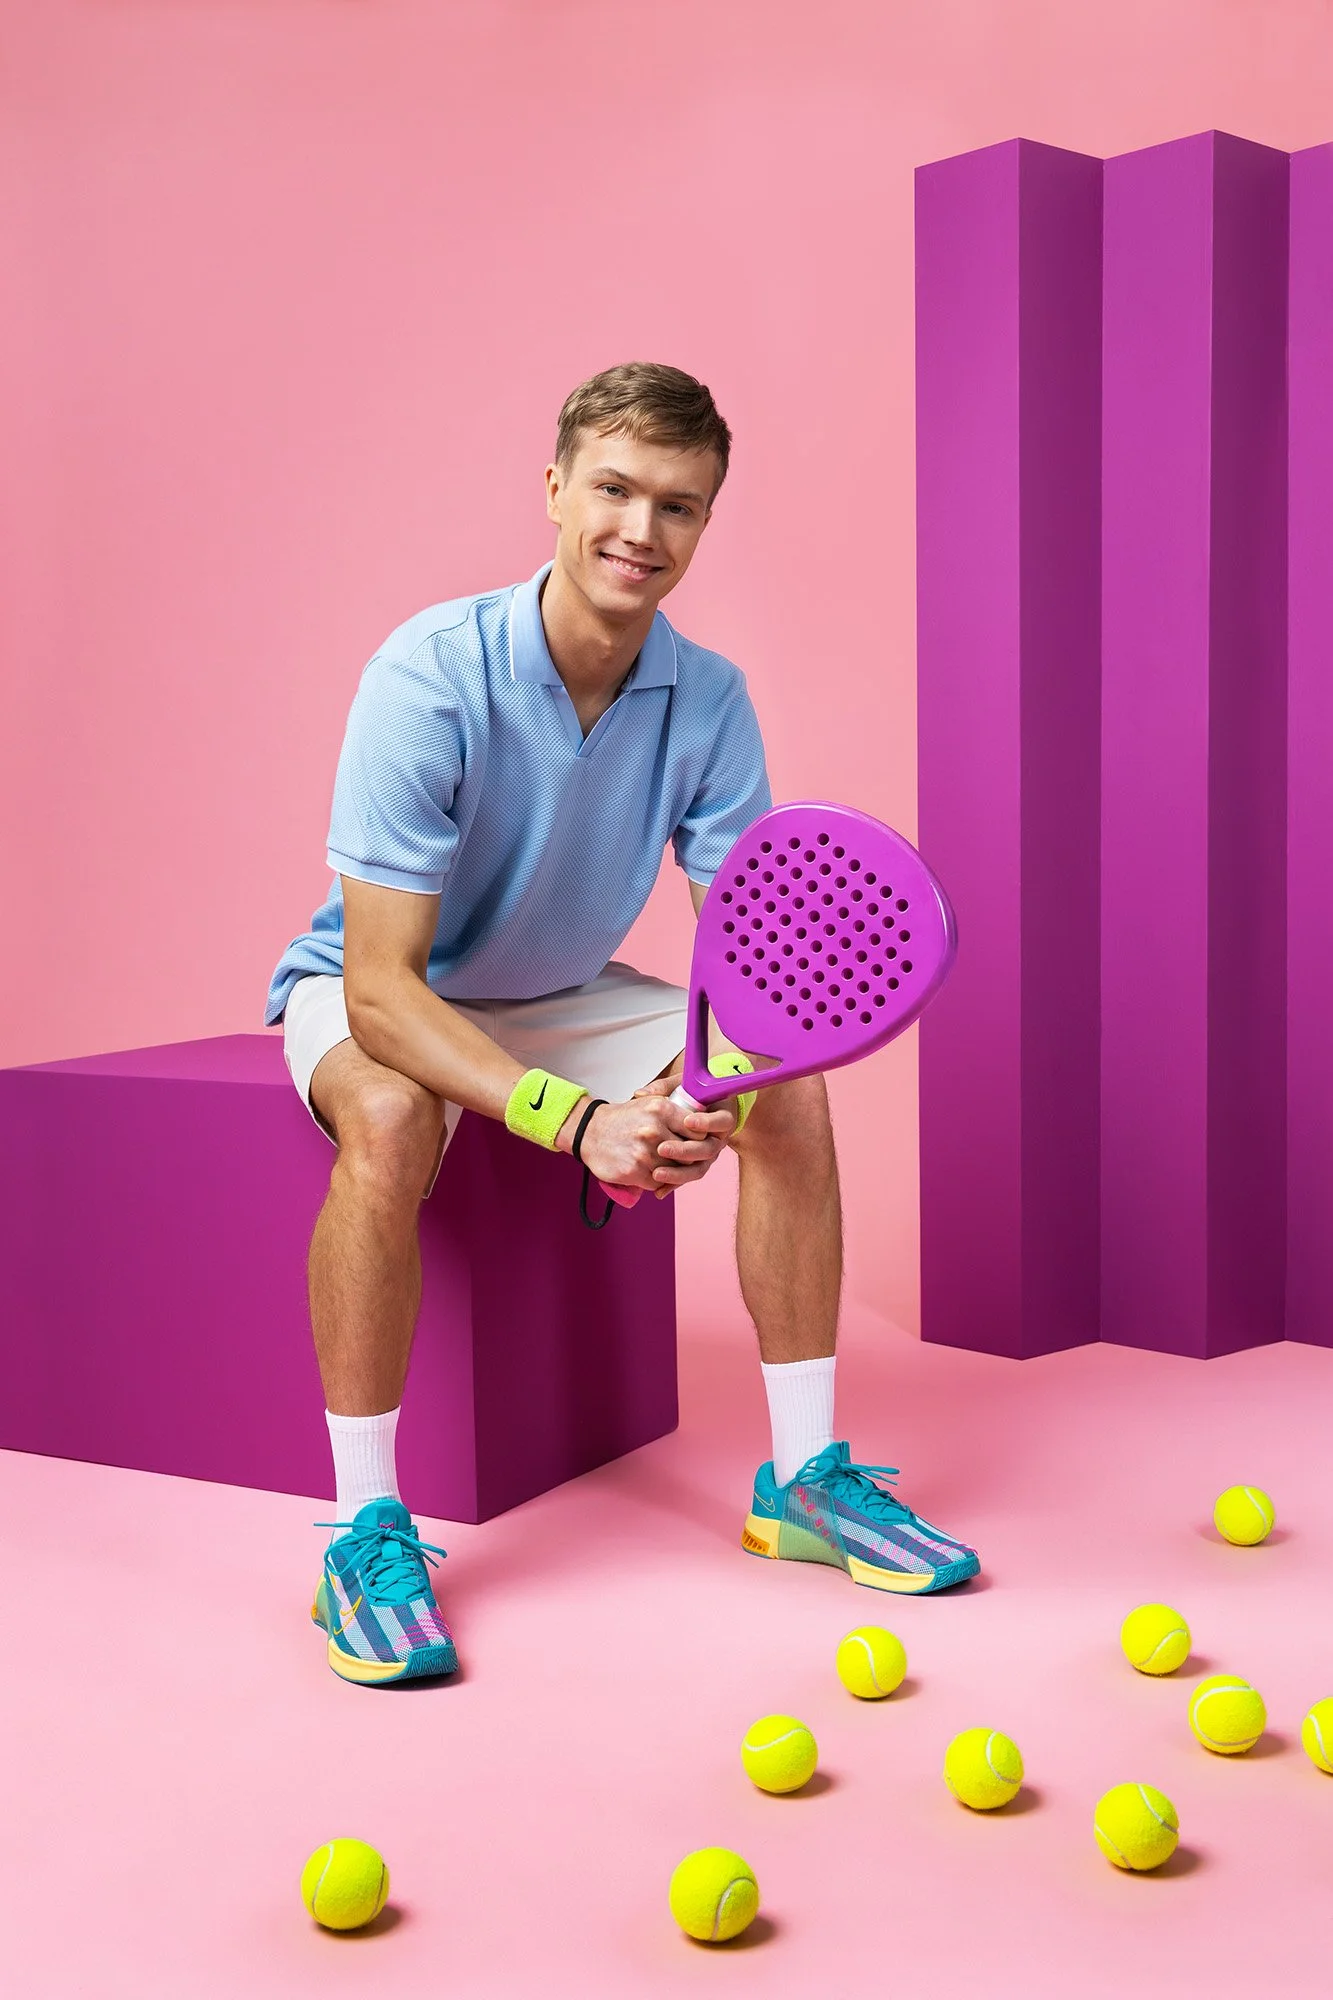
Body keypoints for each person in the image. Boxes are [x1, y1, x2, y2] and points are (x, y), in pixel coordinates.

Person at [264, 362, 979, 1687]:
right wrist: (571, 1118)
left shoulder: (707, 700)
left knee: (789, 1095)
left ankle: (806, 1477)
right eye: (613, 488)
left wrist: (703, 1093)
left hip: (567, 996)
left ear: (705, 526)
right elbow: (381, 989)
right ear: (553, 489)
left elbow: (748, 952)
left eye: (679, 506)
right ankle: (365, 1524)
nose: (641, 530)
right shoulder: (429, 676)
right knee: (391, 1111)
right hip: (381, 986)